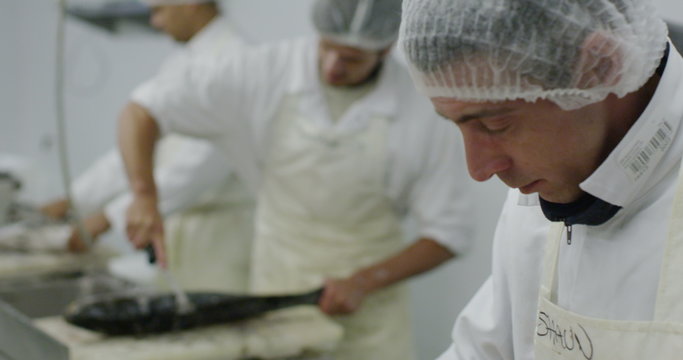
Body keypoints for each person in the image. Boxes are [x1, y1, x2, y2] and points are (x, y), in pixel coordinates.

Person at [117, 0, 475, 358]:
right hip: (277, 299)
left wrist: (364, 282)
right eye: (327, 48)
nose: (334, 66)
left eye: (351, 58)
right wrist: (144, 194)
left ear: (384, 48)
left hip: (371, 322)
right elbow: (142, 110)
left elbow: (448, 234)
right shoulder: (265, 70)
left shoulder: (421, 110)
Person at [399, 0, 683, 358]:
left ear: (600, 66)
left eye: (495, 125)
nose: (480, 168)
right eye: (458, 125)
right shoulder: (545, 183)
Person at [41, 0, 255, 293]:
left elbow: (199, 167)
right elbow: (136, 152)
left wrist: (109, 217)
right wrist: (75, 200)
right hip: (178, 229)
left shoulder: (237, 61)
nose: (154, 22)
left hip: (218, 237)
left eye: (159, 10)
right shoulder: (182, 62)